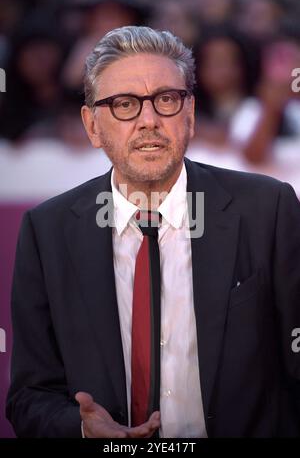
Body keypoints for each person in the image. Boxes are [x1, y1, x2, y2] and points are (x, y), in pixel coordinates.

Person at [6, 26, 300, 438]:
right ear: (92, 126)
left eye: (166, 99)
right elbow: (29, 396)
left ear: (190, 114)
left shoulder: (268, 209)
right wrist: (80, 428)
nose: (149, 121)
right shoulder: (47, 231)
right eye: (125, 104)